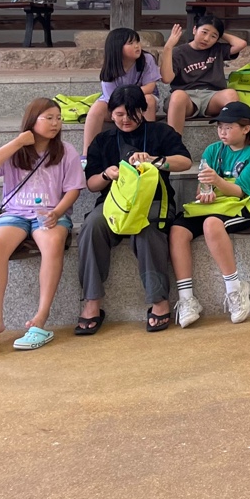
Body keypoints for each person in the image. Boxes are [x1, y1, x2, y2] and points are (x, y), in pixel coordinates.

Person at [0, 98, 86, 355]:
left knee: (53, 243)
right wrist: (17, 142)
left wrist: (57, 212)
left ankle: (40, 319)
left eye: (58, 118)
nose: (55, 123)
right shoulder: (16, 150)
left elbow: (73, 189)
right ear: (32, 121)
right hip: (15, 213)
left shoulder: (66, 151)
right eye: (49, 118)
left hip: (50, 213)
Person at [76, 85, 192, 334]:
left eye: (132, 113)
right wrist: (107, 174)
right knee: (92, 226)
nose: (125, 119)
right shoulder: (103, 140)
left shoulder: (161, 132)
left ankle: (159, 301)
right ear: (110, 114)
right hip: (114, 205)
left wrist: (155, 160)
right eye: (119, 114)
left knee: (147, 229)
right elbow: (91, 184)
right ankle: (92, 301)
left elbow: (185, 161)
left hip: (155, 202)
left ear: (143, 110)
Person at [171, 101, 250, 328]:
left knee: (211, 224)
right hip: (215, 206)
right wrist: (205, 193)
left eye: (228, 127)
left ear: (246, 128)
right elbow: (202, 188)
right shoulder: (212, 150)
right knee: (177, 230)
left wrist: (216, 181)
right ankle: (187, 299)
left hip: (246, 207)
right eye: (220, 127)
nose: (222, 132)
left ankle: (235, 289)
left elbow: (241, 191)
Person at [161, 15, 248, 135]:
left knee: (230, 94)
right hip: (186, 98)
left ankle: (232, 139)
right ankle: (173, 143)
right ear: (194, 30)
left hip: (212, 97)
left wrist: (219, 32)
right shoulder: (179, 52)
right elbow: (166, 79)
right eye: (204, 32)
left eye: (213, 36)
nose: (206, 39)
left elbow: (241, 44)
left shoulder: (217, 49)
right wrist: (168, 48)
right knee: (177, 96)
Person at [84, 27, 160, 152]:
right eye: (131, 43)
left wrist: (129, 96)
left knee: (149, 100)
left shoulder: (147, 59)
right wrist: (124, 106)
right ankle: (87, 153)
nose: (137, 46)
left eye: (137, 41)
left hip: (141, 101)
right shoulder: (111, 66)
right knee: (96, 108)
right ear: (117, 48)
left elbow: (150, 87)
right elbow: (110, 98)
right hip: (116, 104)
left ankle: (148, 149)